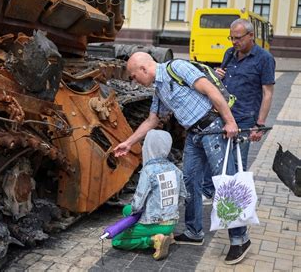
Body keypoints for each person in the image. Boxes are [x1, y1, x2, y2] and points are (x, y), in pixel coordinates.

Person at [114, 52, 251, 265]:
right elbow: (152, 120)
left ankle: (240, 239)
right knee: (189, 181)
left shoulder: (176, 67)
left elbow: (211, 90)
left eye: (133, 76)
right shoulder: (159, 89)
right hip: (194, 134)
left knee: (226, 183)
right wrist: (129, 143)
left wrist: (230, 122)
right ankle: (194, 231)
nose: (134, 81)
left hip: (213, 128)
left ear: (143, 69)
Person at [202, 19, 275, 207]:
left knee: (237, 161)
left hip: (244, 117)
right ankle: (210, 190)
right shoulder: (229, 53)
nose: (234, 42)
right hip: (223, 114)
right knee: (215, 155)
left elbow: (267, 94)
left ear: (251, 36)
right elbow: (220, 83)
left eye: (238, 38)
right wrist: (217, 76)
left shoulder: (264, 59)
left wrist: (259, 125)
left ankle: (233, 203)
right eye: (231, 38)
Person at [112, 129, 186, 261]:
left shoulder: (148, 171)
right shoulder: (176, 169)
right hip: (172, 221)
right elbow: (183, 196)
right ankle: (168, 235)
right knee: (126, 209)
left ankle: (153, 240)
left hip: (154, 222)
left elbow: (138, 204)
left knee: (117, 240)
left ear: (148, 147)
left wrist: (134, 216)